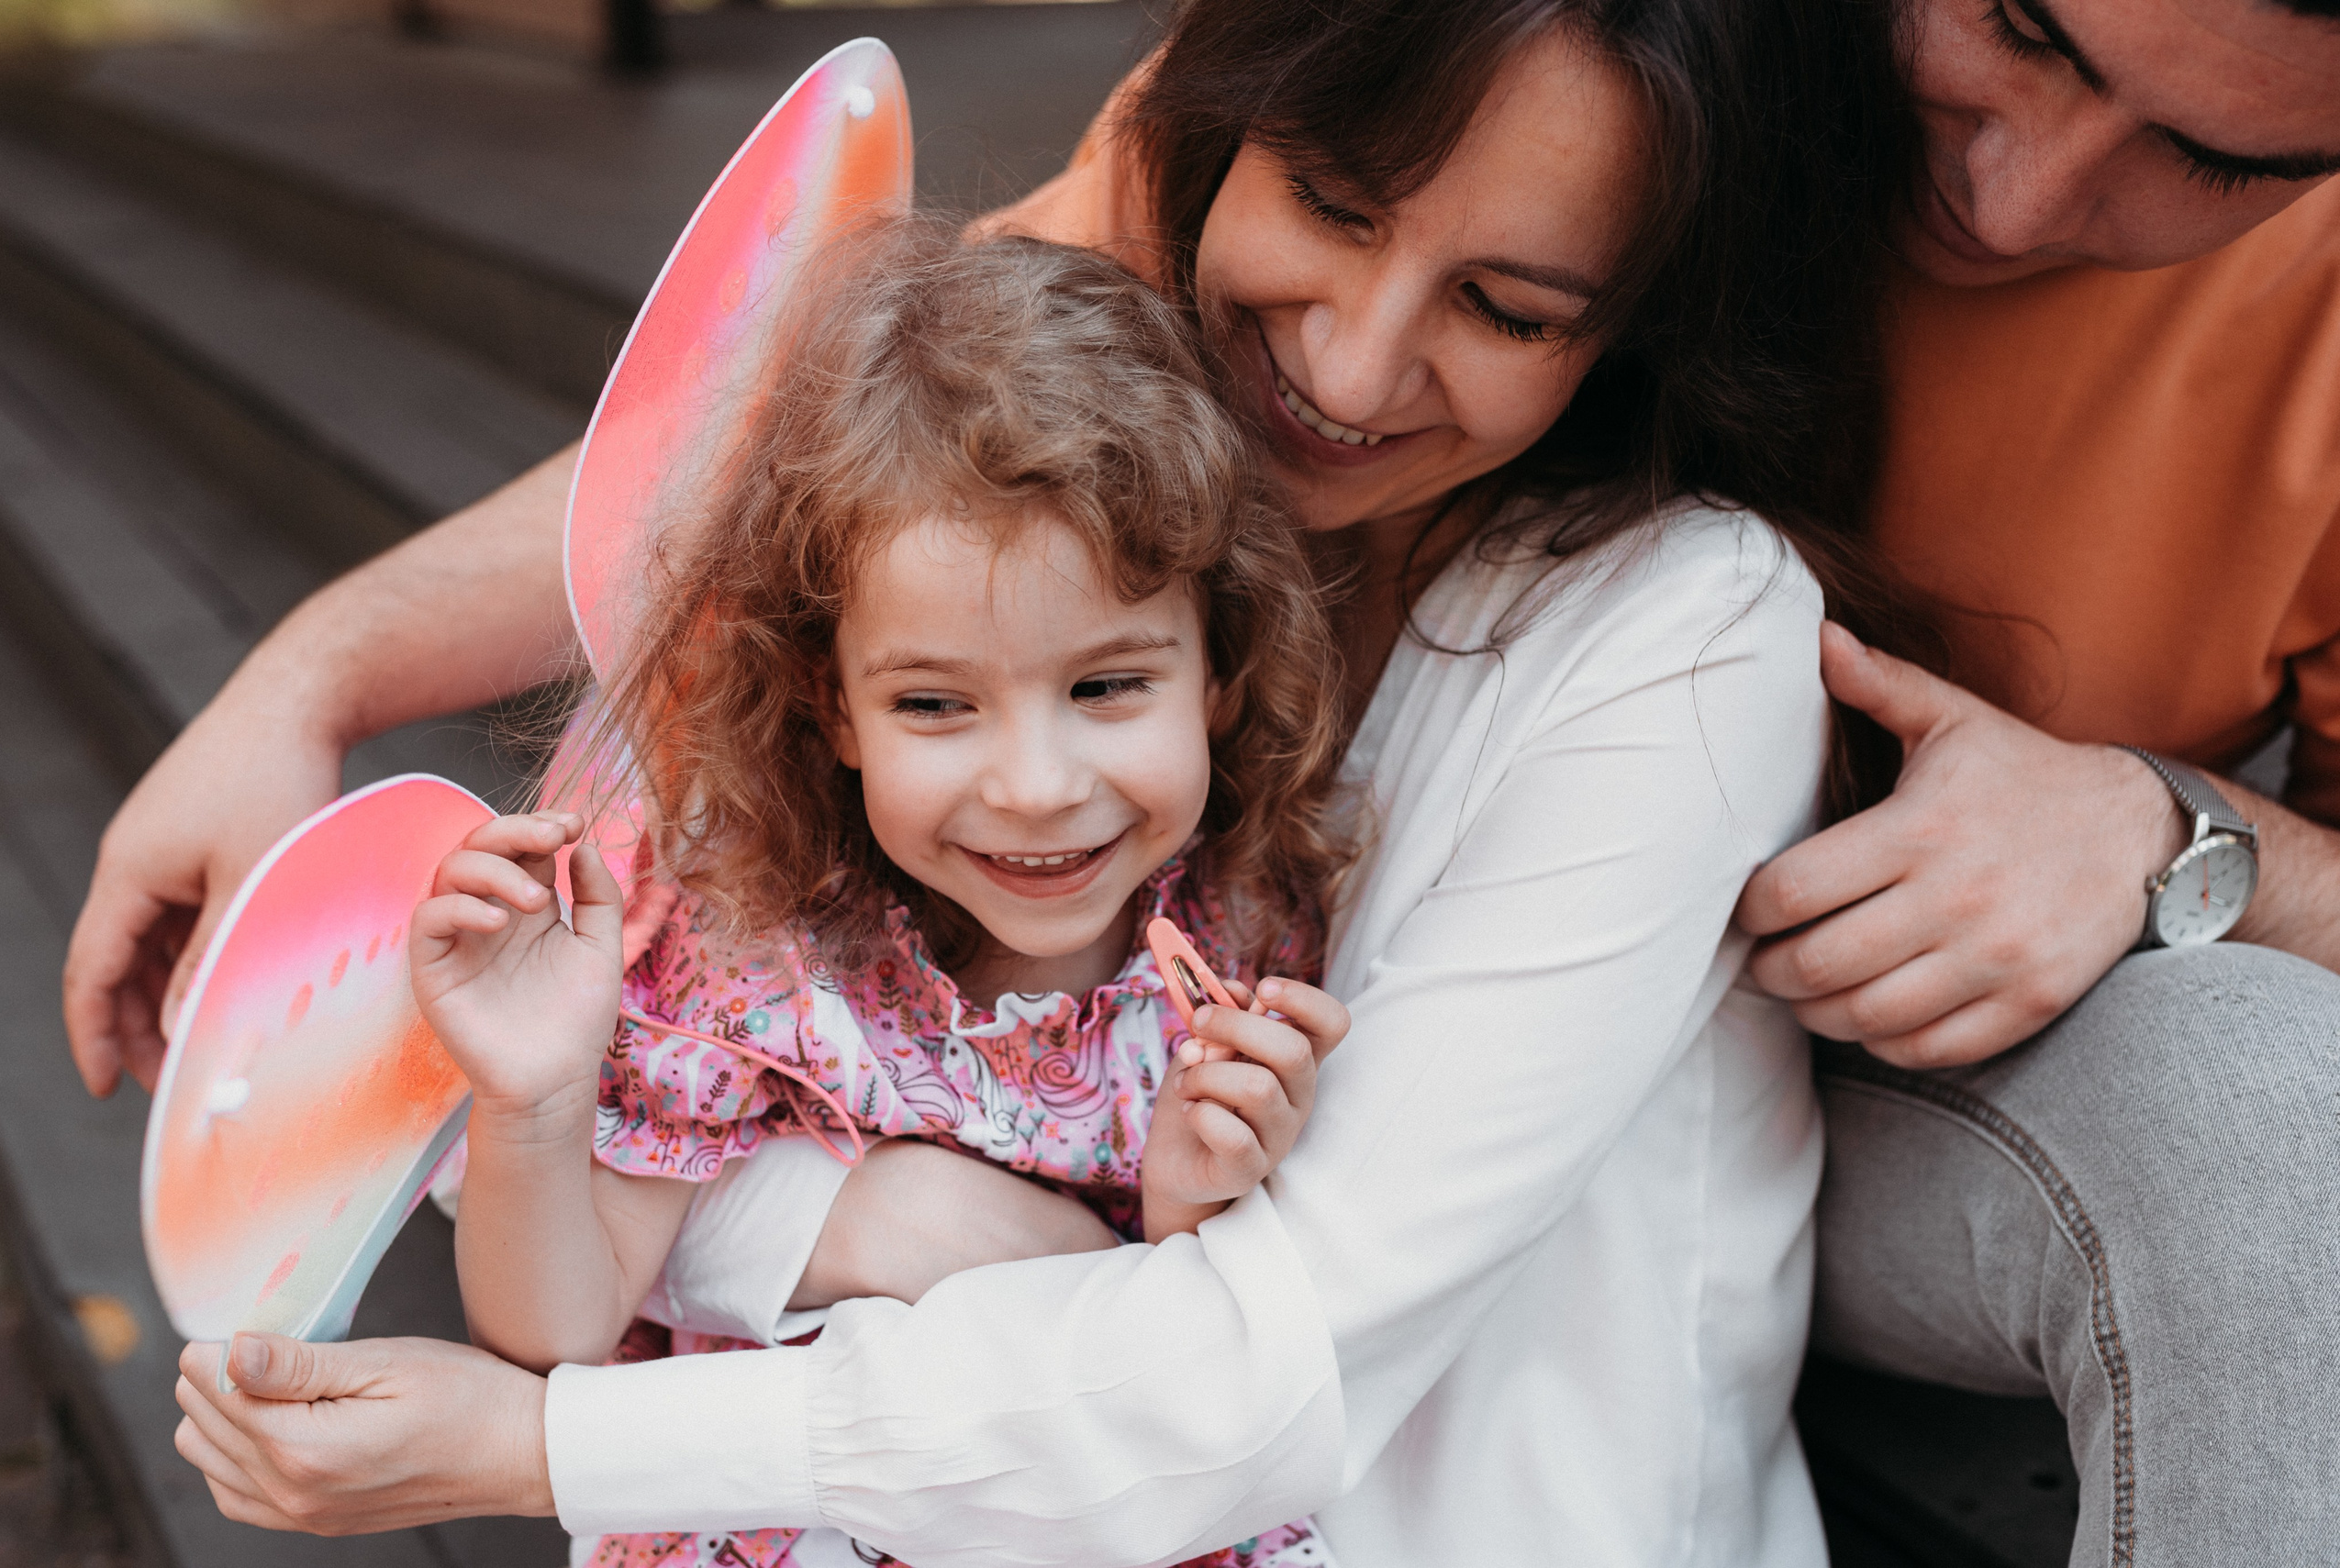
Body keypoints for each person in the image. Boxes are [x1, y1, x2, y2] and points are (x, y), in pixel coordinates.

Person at [162, 0, 1915, 1561]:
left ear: (1226, 670)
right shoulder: (1050, 454)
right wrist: (323, 673)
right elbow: (708, 478)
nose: (1354, 366)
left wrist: (552, 1434)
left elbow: (1238, 1340)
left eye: (1509, 305)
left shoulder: (1559, 707)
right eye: (1333, 202)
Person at [413, 227, 1354, 1568]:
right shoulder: (749, 950)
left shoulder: (1251, 936)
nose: (1034, 785)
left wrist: (1192, 1193)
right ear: (833, 707)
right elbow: (554, 1335)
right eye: (934, 703)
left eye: (1105, 686)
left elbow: (1184, 1351)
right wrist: (534, 1101)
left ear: (1219, 667)